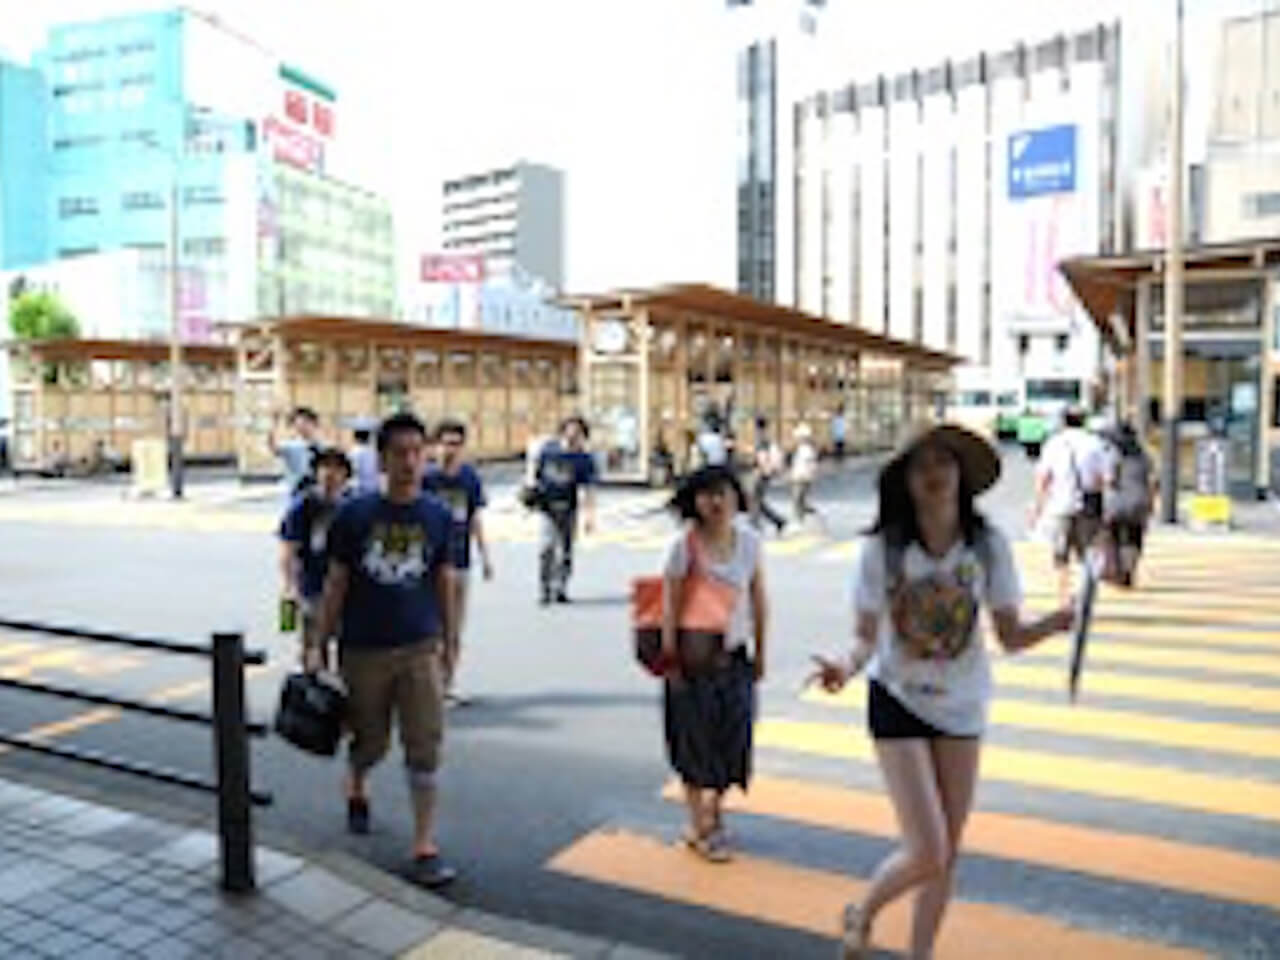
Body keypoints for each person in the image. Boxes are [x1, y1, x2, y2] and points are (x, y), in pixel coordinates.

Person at [807, 423, 1074, 960]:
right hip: (897, 699)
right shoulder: (883, 549)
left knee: (946, 853)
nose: (934, 474)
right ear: (904, 480)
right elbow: (864, 639)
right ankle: (864, 911)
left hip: (962, 704)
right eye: (921, 465)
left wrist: (1057, 622)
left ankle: (920, 953)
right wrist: (844, 666)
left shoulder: (987, 545)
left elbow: (1010, 636)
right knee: (927, 847)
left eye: (944, 463)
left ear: (961, 474)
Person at [306, 412, 459, 889]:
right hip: (364, 650)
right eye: (400, 453)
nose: (411, 462)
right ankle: (356, 781)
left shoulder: (437, 515)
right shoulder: (354, 516)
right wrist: (317, 645)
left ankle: (425, 844)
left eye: (418, 452)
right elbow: (336, 583)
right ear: (382, 459)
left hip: (420, 648)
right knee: (371, 741)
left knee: (425, 746)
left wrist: (452, 643)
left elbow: (446, 582)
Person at [662, 466, 767, 863]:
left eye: (723, 493)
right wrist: (670, 658)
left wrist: (763, 652)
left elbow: (759, 599)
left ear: (737, 497)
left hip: (735, 657)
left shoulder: (750, 542)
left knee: (733, 739)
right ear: (694, 502)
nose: (716, 502)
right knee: (694, 742)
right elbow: (669, 605)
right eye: (707, 495)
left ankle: (713, 810)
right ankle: (701, 825)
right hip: (691, 660)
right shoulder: (683, 546)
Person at [421, 419, 493, 706]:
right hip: (427, 564)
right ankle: (425, 684)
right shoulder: (425, 478)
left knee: (453, 627)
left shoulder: (469, 478)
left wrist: (485, 556)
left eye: (456, 443)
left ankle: (446, 685)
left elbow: (475, 518)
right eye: (445, 443)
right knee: (428, 627)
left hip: (459, 560)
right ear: (434, 446)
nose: (450, 449)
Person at [278, 447, 352, 668]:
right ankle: (314, 691)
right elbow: (288, 548)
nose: (330, 474)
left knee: (349, 648)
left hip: (349, 590)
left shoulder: (354, 505)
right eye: (324, 468)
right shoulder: (303, 506)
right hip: (313, 586)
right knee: (313, 647)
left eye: (337, 469)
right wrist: (289, 586)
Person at [1032, 407, 1109, 607]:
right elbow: (1104, 479)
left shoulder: (1054, 443)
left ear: (1064, 421)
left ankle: (1064, 598)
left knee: (1061, 556)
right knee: (1087, 555)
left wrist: (1038, 508)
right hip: (1088, 507)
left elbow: (1043, 479)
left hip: (1059, 506)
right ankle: (1083, 596)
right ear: (1084, 421)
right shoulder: (1095, 444)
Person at [534, 416, 598, 604]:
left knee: (565, 550)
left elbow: (588, 489)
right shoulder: (549, 450)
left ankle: (560, 587)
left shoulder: (583, 459)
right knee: (546, 547)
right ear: (563, 431)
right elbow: (536, 473)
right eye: (570, 430)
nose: (573, 435)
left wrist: (589, 516)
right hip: (547, 507)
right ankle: (545, 587)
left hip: (568, 508)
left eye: (578, 433)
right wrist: (531, 491)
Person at [1104, 421, 1156, 588]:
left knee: (1111, 536)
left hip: (1118, 502)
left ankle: (1115, 570)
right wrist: (1151, 503)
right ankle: (1129, 570)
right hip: (1140, 502)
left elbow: (1109, 480)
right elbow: (1154, 482)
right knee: (1134, 538)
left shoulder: (1114, 457)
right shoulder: (1146, 457)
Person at [272, 407, 321, 498]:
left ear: (314, 424)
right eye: (298, 424)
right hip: (297, 490)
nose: (302, 427)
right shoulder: (291, 446)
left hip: (318, 492)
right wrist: (274, 425)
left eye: (305, 423)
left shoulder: (324, 446)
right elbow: (274, 448)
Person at [749, 417, 786, 535]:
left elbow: (762, 456)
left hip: (761, 473)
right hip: (763, 472)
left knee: (755, 500)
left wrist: (762, 469)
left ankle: (756, 524)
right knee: (757, 500)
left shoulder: (761, 439)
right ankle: (777, 521)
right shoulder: (765, 438)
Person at [791, 423, 819, 525]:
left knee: (798, 500)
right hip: (801, 478)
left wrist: (806, 475)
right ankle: (801, 519)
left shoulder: (806, 450)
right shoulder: (804, 449)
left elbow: (809, 465)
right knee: (800, 500)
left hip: (801, 478)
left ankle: (800, 520)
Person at [349, 421, 380, 495]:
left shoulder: (355, 452)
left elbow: (353, 472)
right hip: (373, 488)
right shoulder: (374, 452)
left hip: (358, 490)